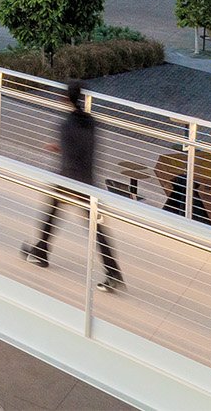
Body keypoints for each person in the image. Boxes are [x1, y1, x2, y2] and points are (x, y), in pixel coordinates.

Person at [20, 80, 125, 293]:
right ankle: (42, 251)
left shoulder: (65, 125)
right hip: (88, 180)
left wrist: (58, 150)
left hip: (69, 178)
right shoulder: (92, 122)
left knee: (52, 213)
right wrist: (60, 147)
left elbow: (69, 154)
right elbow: (82, 148)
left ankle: (41, 251)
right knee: (94, 227)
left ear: (65, 99)